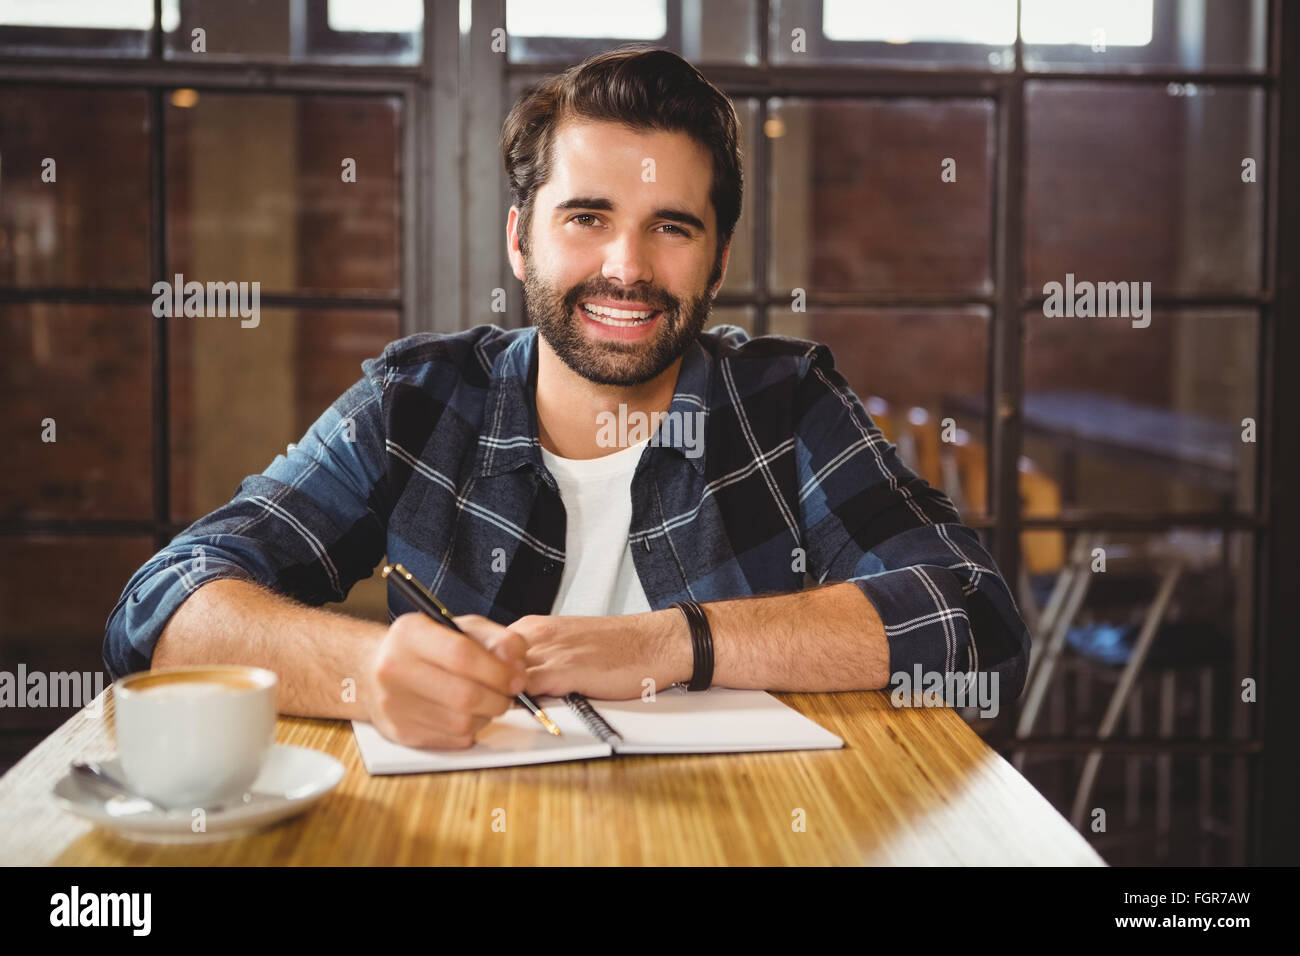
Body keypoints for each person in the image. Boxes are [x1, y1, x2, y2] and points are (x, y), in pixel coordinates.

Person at [104, 46, 1029, 750]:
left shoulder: (784, 400)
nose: (627, 269)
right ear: (521, 240)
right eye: (587, 218)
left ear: (717, 259)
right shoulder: (419, 400)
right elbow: (160, 612)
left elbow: (974, 620)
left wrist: (668, 645)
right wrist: (365, 671)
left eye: (671, 228)